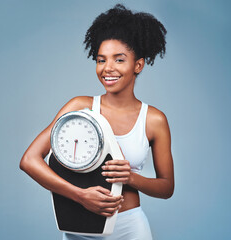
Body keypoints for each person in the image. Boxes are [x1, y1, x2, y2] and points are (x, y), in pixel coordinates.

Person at [20, 3, 174, 240]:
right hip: (78, 225)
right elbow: (29, 160)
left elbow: (166, 188)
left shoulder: (153, 120)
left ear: (138, 65)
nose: (107, 68)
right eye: (101, 60)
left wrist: (130, 178)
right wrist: (80, 196)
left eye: (119, 60)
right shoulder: (79, 107)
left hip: (129, 228)